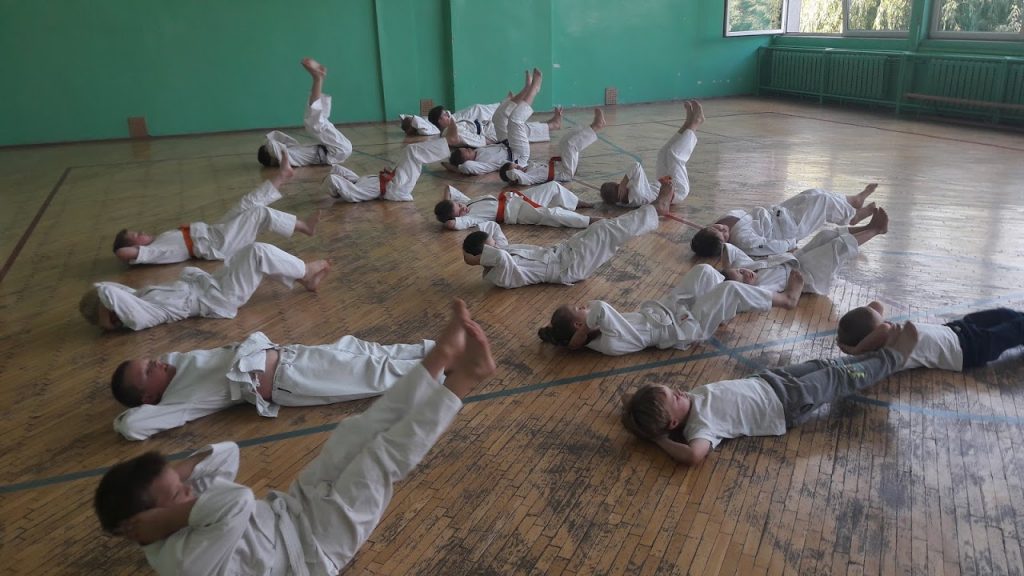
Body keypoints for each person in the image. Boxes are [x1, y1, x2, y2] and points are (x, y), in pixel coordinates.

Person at [93, 299, 497, 575]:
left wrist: (173, 478)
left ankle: (437, 360)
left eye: (181, 485)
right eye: (177, 493)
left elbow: (227, 455)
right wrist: (171, 515)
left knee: (357, 430)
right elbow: (236, 502)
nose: (188, 491)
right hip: (315, 548)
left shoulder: (180, 508)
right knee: (380, 458)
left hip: (295, 507)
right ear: (145, 522)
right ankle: (463, 381)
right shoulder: (179, 561)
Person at [620, 321, 920, 465]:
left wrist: (635, 410)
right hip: (788, 403)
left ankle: (875, 356)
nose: (678, 391)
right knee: (838, 378)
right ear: (673, 423)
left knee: (827, 365)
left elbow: (632, 401)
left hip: (772, 382)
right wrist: (658, 439)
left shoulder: (687, 403)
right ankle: (892, 358)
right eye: (673, 397)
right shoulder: (701, 427)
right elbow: (693, 456)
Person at [111, 332, 438, 440]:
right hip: (293, 380)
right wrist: (127, 414)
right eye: (148, 371)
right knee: (370, 373)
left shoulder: (176, 363)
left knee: (366, 351)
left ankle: (435, 350)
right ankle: (444, 367)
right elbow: (131, 425)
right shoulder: (179, 400)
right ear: (149, 396)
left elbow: (163, 362)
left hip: (291, 354)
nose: (155, 363)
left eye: (149, 360)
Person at [537, 263, 805, 356]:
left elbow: (598, 312)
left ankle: (721, 314)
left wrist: (582, 329)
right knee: (729, 289)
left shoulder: (599, 329)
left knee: (704, 272)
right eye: (579, 309)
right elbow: (602, 310)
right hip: (685, 328)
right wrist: (583, 331)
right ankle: (786, 300)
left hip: (671, 309)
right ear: (578, 325)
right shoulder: (608, 342)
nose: (584, 306)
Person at [113, 152, 318, 265]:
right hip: (218, 246)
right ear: (136, 247)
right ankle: (304, 227)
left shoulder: (158, 241)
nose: (141, 232)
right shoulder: (153, 251)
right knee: (258, 213)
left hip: (215, 232)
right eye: (136, 236)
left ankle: (283, 175)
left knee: (247, 203)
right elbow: (122, 253)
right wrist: (134, 252)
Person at [462, 181, 674, 288]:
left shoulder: (500, 252)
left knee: (600, 227)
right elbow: (498, 255)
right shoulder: (500, 274)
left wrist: (472, 249)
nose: (497, 246)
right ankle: (656, 209)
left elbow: (492, 228)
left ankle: (651, 212)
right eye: (492, 246)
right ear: (485, 256)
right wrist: (471, 259)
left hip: (565, 254)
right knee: (607, 231)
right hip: (569, 268)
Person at [78, 243, 330, 332]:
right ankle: (305, 272)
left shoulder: (138, 298)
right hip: (219, 299)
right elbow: (109, 292)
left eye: (112, 312)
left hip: (211, 286)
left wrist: (102, 305)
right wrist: (104, 306)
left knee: (247, 253)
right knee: (257, 253)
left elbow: (112, 291)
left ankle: (302, 277)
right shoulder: (141, 316)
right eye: (114, 320)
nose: (118, 316)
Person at [720, 208, 889, 296]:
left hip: (795, 259)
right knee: (838, 246)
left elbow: (730, 251)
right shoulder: (761, 288)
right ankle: (876, 230)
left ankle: (868, 227)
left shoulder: (747, 266)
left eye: (740, 271)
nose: (745, 273)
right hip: (807, 276)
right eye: (743, 279)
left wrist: (726, 269)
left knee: (826, 235)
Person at [689, 183, 879, 258]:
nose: (723, 229)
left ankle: (853, 201)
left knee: (813, 193)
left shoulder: (723, 220)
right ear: (725, 245)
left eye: (717, 228)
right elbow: (769, 246)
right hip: (789, 230)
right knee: (821, 201)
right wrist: (790, 244)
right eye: (723, 236)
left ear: (708, 227)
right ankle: (852, 215)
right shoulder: (742, 240)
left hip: (778, 212)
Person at [837, 301, 1024, 371]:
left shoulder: (884, 334)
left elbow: (876, 306)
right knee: (1017, 327)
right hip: (971, 349)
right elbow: (883, 328)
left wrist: (863, 324)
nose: (887, 322)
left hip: (957, 329)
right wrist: (856, 351)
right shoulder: (887, 350)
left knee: (1004, 314)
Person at [600, 100, 704, 207]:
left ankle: (688, 124)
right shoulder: (636, 194)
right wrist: (624, 182)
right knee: (673, 155)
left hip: (663, 183)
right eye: (618, 186)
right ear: (620, 190)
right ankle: (696, 122)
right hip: (677, 190)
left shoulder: (625, 200)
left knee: (662, 153)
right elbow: (636, 166)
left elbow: (609, 202)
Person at [442, 69, 545, 175]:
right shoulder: (478, 165)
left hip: (506, 143)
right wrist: (454, 167)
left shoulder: (476, 152)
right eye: (466, 152)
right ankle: (534, 89)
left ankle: (527, 89)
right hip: (518, 155)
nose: (468, 149)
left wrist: (451, 163)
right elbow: (464, 168)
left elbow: (456, 163)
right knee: (514, 120)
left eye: (466, 149)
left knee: (498, 116)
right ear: (466, 161)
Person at [257, 58, 353, 167]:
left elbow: (280, 137)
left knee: (319, 119)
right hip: (339, 150)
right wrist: (266, 144)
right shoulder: (285, 158)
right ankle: (318, 78)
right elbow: (272, 144)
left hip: (334, 150)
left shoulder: (289, 153)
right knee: (314, 123)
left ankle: (319, 79)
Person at [322, 137, 451, 202]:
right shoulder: (356, 191)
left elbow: (337, 170)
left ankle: (448, 145)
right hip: (397, 188)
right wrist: (334, 192)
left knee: (409, 150)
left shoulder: (357, 181)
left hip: (395, 182)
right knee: (412, 151)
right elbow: (333, 180)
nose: (344, 178)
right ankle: (449, 144)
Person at [498, 108, 606, 186]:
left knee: (564, 141)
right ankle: (597, 126)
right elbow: (513, 174)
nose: (519, 167)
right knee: (570, 145)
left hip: (561, 166)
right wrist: (511, 173)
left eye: (517, 166)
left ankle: (592, 127)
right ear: (513, 177)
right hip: (565, 174)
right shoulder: (526, 178)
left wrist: (513, 166)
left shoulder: (527, 170)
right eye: (517, 169)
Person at [434, 181, 597, 231]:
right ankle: (589, 220)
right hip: (518, 213)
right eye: (460, 212)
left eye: (459, 205)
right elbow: (451, 224)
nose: (463, 208)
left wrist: (447, 205)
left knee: (552, 186)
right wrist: (446, 218)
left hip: (517, 198)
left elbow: (448, 188)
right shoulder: (471, 218)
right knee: (553, 214)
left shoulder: (469, 202)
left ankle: (578, 203)